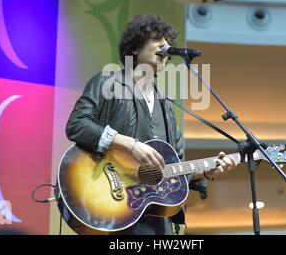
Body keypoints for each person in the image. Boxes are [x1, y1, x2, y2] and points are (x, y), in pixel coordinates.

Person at [65, 14, 237, 235]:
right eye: (157, 39)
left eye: (168, 42)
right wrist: (128, 144)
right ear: (136, 48)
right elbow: (76, 124)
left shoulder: (166, 104)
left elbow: (173, 169)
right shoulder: (107, 82)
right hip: (113, 207)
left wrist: (205, 173)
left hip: (157, 221)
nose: (166, 46)